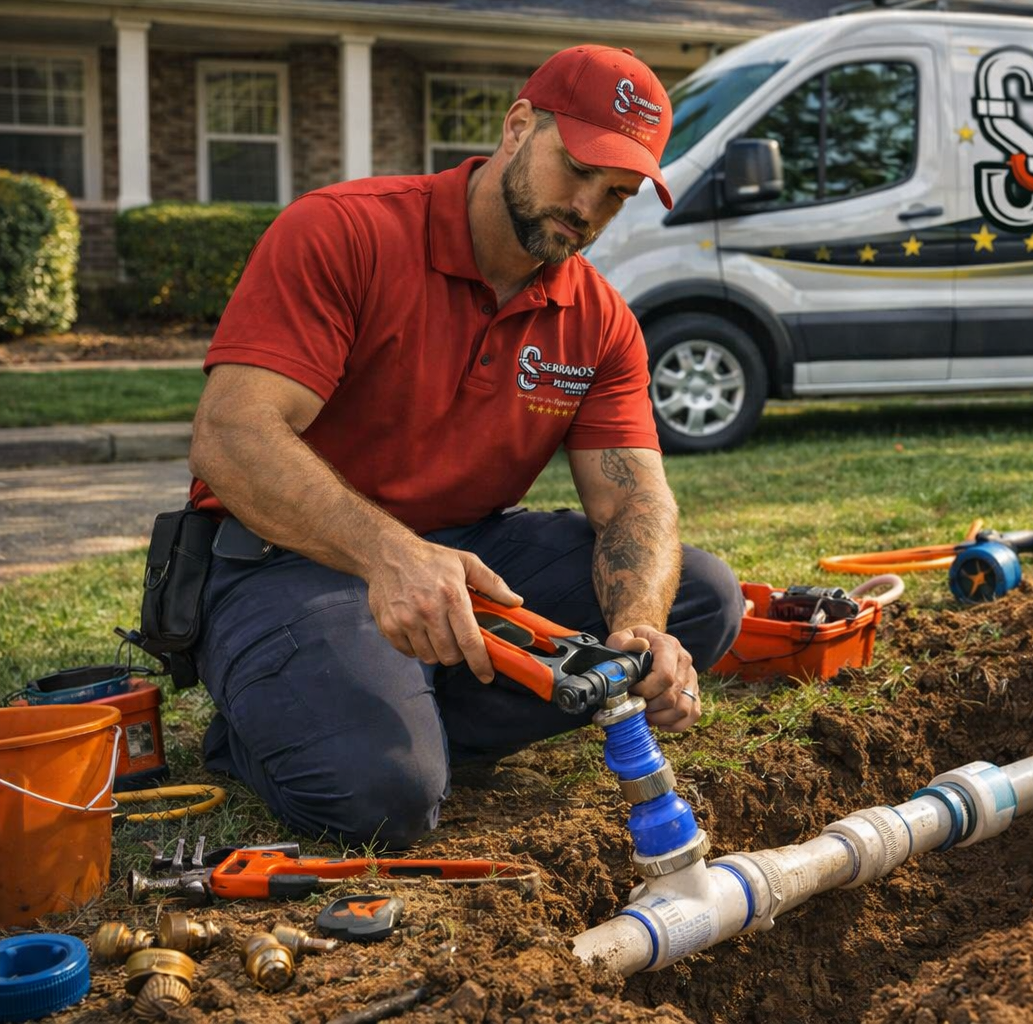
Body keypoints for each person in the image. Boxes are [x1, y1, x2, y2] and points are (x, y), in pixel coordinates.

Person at [185, 45, 743, 849]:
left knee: (702, 598)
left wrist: (638, 625)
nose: (587, 207)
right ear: (519, 126)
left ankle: (384, 703)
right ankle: (296, 722)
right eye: (578, 169)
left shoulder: (600, 320)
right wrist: (389, 557)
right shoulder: (345, 231)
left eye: (617, 194)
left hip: (463, 559)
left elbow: (636, 499)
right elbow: (230, 436)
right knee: (384, 802)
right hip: (286, 560)